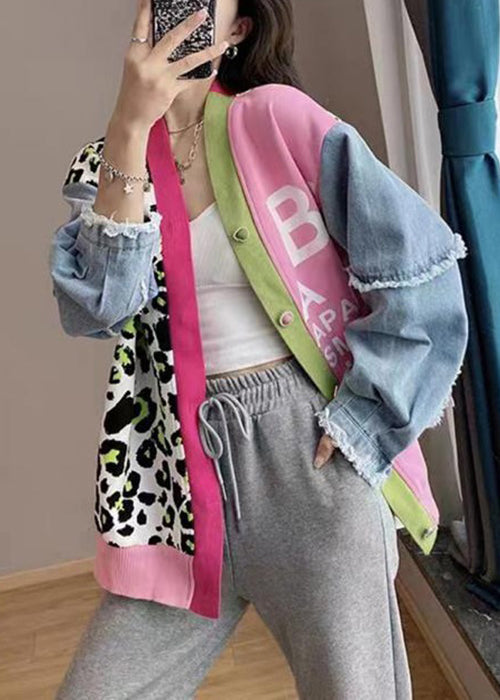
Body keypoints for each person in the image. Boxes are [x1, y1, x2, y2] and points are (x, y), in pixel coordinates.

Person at [49, 0, 469, 697]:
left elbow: (419, 266)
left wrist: (367, 417)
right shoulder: (105, 161)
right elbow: (96, 310)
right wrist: (129, 123)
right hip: (176, 479)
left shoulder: (277, 118)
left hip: (309, 458)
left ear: (238, 29)